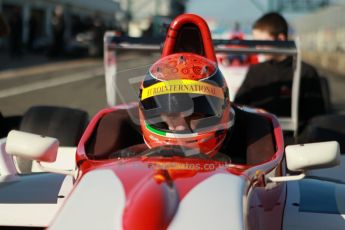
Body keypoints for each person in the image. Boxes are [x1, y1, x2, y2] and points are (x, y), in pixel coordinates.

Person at [234, 12, 326, 131]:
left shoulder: (306, 73)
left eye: (262, 43)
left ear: (281, 38)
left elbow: (316, 118)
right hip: (258, 138)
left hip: (296, 141)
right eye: (256, 43)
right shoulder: (255, 71)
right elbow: (238, 106)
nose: (257, 47)